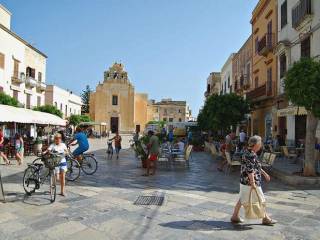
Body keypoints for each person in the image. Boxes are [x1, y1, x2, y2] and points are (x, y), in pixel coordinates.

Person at [231, 135, 276, 225]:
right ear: (256, 144)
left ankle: (234, 216)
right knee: (261, 199)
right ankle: (265, 218)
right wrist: (253, 183)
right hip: (250, 181)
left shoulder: (249, 151)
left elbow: (256, 166)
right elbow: (250, 170)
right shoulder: (250, 154)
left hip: (245, 181)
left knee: (242, 198)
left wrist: (265, 174)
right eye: (260, 143)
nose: (261, 145)